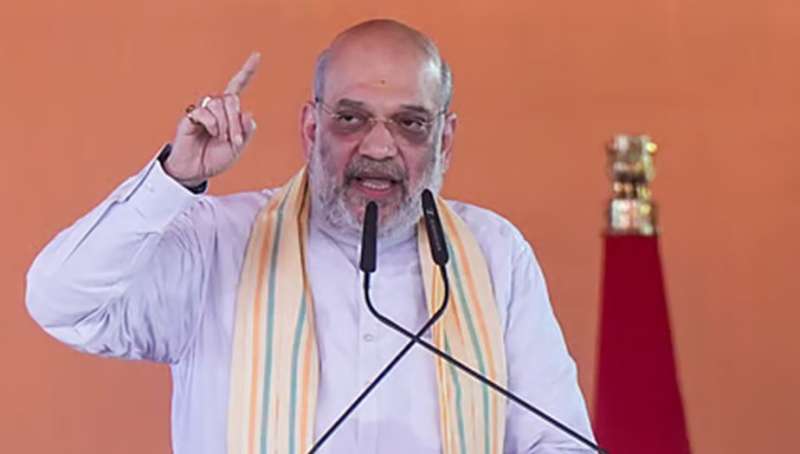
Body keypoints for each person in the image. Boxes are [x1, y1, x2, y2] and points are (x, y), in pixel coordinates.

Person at [26, 19, 595, 454]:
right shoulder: (219, 243)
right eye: (351, 118)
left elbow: (559, 441)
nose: (379, 148)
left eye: (410, 123)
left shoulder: (494, 254)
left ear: (444, 141)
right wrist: (174, 179)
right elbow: (61, 302)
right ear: (310, 128)